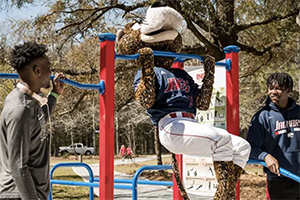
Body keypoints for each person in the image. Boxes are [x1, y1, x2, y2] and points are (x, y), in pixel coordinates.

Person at [117, 2, 251, 199]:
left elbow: (202, 103)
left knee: (242, 146)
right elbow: (146, 100)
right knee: (220, 139)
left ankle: (224, 193)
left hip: (190, 123)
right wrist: (146, 67)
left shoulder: (181, 74)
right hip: (170, 125)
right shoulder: (149, 72)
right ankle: (224, 195)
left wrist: (209, 73)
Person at [0, 42, 65, 200]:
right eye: (48, 67)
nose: (51, 72)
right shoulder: (20, 109)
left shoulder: (28, 102)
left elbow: (39, 122)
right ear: (37, 70)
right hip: (18, 194)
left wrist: (55, 94)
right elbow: (19, 166)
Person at [247, 72, 300, 200]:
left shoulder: (299, 112)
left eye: (278, 88)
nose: (273, 92)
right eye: (271, 88)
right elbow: (250, 148)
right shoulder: (262, 117)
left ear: (288, 90)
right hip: (279, 181)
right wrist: (265, 156)